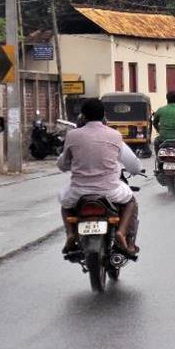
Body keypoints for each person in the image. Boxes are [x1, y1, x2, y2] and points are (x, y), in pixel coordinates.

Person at [57, 98, 141, 256]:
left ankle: (70, 235)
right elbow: (132, 164)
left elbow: (63, 164)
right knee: (130, 201)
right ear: (104, 116)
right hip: (110, 191)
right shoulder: (115, 135)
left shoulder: (73, 135)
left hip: (78, 192)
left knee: (65, 204)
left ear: (83, 116)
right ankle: (122, 233)